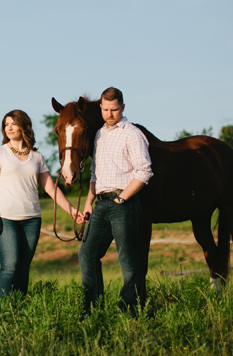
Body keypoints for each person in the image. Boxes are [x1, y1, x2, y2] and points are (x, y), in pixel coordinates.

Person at [0, 109, 85, 299]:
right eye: (6, 125)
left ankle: (20, 309)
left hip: (32, 219)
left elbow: (51, 189)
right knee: (10, 265)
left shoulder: (36, 157)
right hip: (6, 218)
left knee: (23, 267)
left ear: (24, 126)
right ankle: (3, 312)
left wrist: (72, 210)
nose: (9, 128)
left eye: (13, 123)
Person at [79, 87, 153, 315]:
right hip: (100, 203)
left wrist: (123, 198)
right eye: (105, 109)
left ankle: (129, 309)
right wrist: (89, 202)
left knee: (128, 259)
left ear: (122, 107)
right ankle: (92, 307)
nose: (109, 114)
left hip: (123, 204)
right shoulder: (100, 134)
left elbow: (144, 170)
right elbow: (94, 173)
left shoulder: (132, 133)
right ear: (100, 108)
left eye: (114, 109)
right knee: (87, 254)